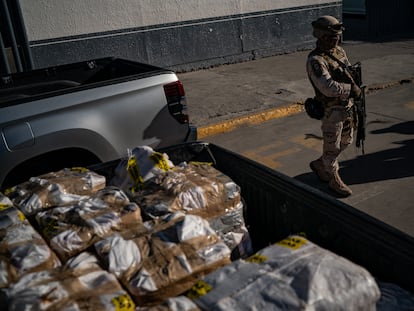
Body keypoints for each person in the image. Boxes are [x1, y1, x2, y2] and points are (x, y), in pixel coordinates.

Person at [306, 15, 361, 197]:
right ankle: (333, 178)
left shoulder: (339, 52)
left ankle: (321, 164)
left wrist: (355, 88)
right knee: (332, 146)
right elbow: (328, 88)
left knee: (347, 140)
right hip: (331, 111)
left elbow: (348, 71)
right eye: (331, 37)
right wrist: (351, 89)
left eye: (337, 36)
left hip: (347, 106)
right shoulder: (316, 60)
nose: (335, 40)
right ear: (320, 36)